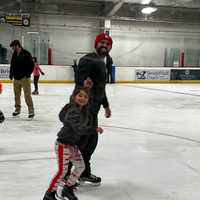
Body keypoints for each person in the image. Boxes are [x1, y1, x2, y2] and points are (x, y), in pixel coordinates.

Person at [43, 87, 103, 200]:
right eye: (80, 95)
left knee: (80, 166)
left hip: (72, 145)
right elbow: (79, 129)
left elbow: (61, 116)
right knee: (62, 171)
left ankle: (68, 188)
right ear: (74, 97)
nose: (82, 98)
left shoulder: (82, 110)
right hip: (63, 144)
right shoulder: (73, 110)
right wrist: (93, 129)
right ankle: (49, 194)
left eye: (85, 96)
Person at [68, 32, 113, 185]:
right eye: (102, 43)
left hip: (93, 110)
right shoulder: (88, 59)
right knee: (78, 143)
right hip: (83, 109)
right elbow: (80, 83)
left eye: (107, 44)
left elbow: (101, 87)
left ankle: (84, 173)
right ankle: (68, 175)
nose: (105, 46)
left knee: (90, 144)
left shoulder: (102, 61)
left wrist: (106, 106)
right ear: (96, 44)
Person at [9, 40, 35, 118]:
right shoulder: (14, 54)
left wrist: (27, 74)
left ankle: (31, 111)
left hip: (25, 78)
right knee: (16, 95)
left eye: (13, 46)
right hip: (16, 78)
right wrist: (11, 74)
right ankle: (17, 110)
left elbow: (32, 65)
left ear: (17, 45)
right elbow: (12, 65)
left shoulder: (26, 53)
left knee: (27, 95)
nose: (12, 48)